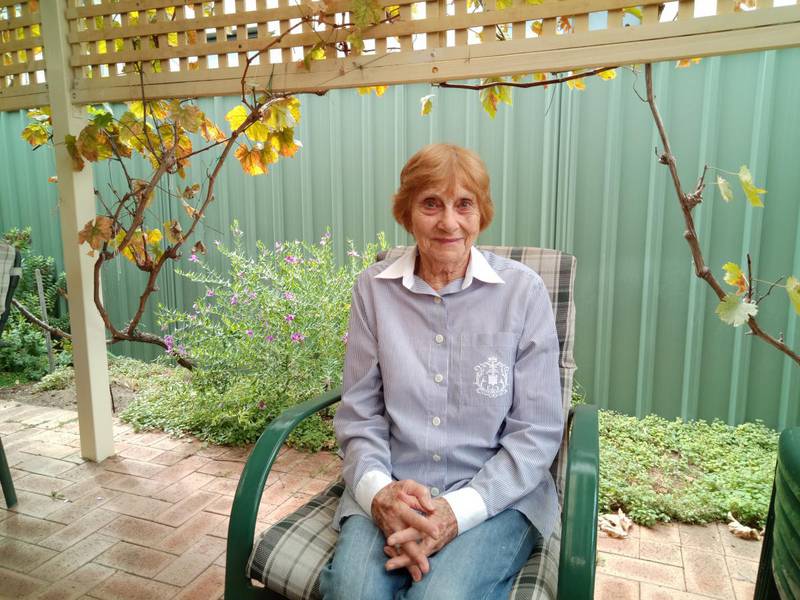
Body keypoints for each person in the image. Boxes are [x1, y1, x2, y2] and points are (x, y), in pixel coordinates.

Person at [319, 143, 564, 600]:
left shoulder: (523, 293)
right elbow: (360, 413)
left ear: (481, 213)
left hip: (496, 495)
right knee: (354, 591)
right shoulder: (373, 291)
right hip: (396, 485)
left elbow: (538, 431)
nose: (448, 222)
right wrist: (380, 495)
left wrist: (455, 511)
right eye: (431, 203)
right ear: (407, 213)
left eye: (463, 204)